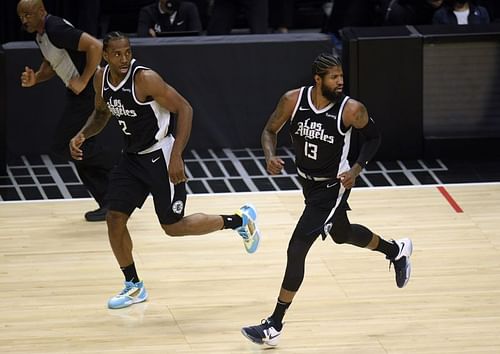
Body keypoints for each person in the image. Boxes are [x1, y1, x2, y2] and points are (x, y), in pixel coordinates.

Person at [69, 31, 260, 309]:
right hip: (132, 159)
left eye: (128, 52)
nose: (124, 58)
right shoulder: (100, 79)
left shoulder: (145, 79)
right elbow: (101, 113)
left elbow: (185, 109)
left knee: (172, 226)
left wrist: (177, 156)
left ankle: (240, 221)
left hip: (161, 155)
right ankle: (134, 286)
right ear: (106, 56)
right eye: (118, 54)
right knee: (114, 218)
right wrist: (83, 134)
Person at [240, 53, 413, 346]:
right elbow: (269, 131)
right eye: (334, 77)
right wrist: (270, 156)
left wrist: (357, 169)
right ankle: (396, 250)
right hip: (308, 184)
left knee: (296, 248)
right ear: (318, 79)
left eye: (342, 76)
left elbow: (374, 138)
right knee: (342, 233)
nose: (341, 81)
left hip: (333, 187)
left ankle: (274, 325)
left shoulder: (351, 109)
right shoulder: (292, 101)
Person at [17, 0, 118, 221]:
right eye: (21, 16)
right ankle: (110, 204)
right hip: (78, 95)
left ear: (42, 12)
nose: (24, 20)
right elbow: (51, 64)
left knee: (65, 145)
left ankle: (120, 164)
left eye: (28, 15)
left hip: (89, 92)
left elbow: (96, 46)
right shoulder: (42, 35)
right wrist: (36, 78)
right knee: (79, 150)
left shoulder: (55, 28)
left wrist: (83, 80)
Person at [137, 0, 202, 37]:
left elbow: (197, 35)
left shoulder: (189, 8)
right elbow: (142, 37)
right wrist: (149, 37)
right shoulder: (147, 12)